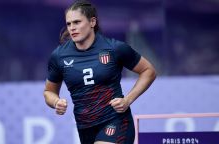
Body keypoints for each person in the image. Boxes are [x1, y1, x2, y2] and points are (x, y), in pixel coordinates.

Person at [43, 0, 156, 144]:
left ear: (92, 22)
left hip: (116, 120)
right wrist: (56, 101)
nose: (72, 28)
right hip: (85, 127)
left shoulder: (115, 48)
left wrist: (128, 100)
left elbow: (148, 71)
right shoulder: (59, 56)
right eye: (69, 24)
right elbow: (49, 92)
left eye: (77, 22)